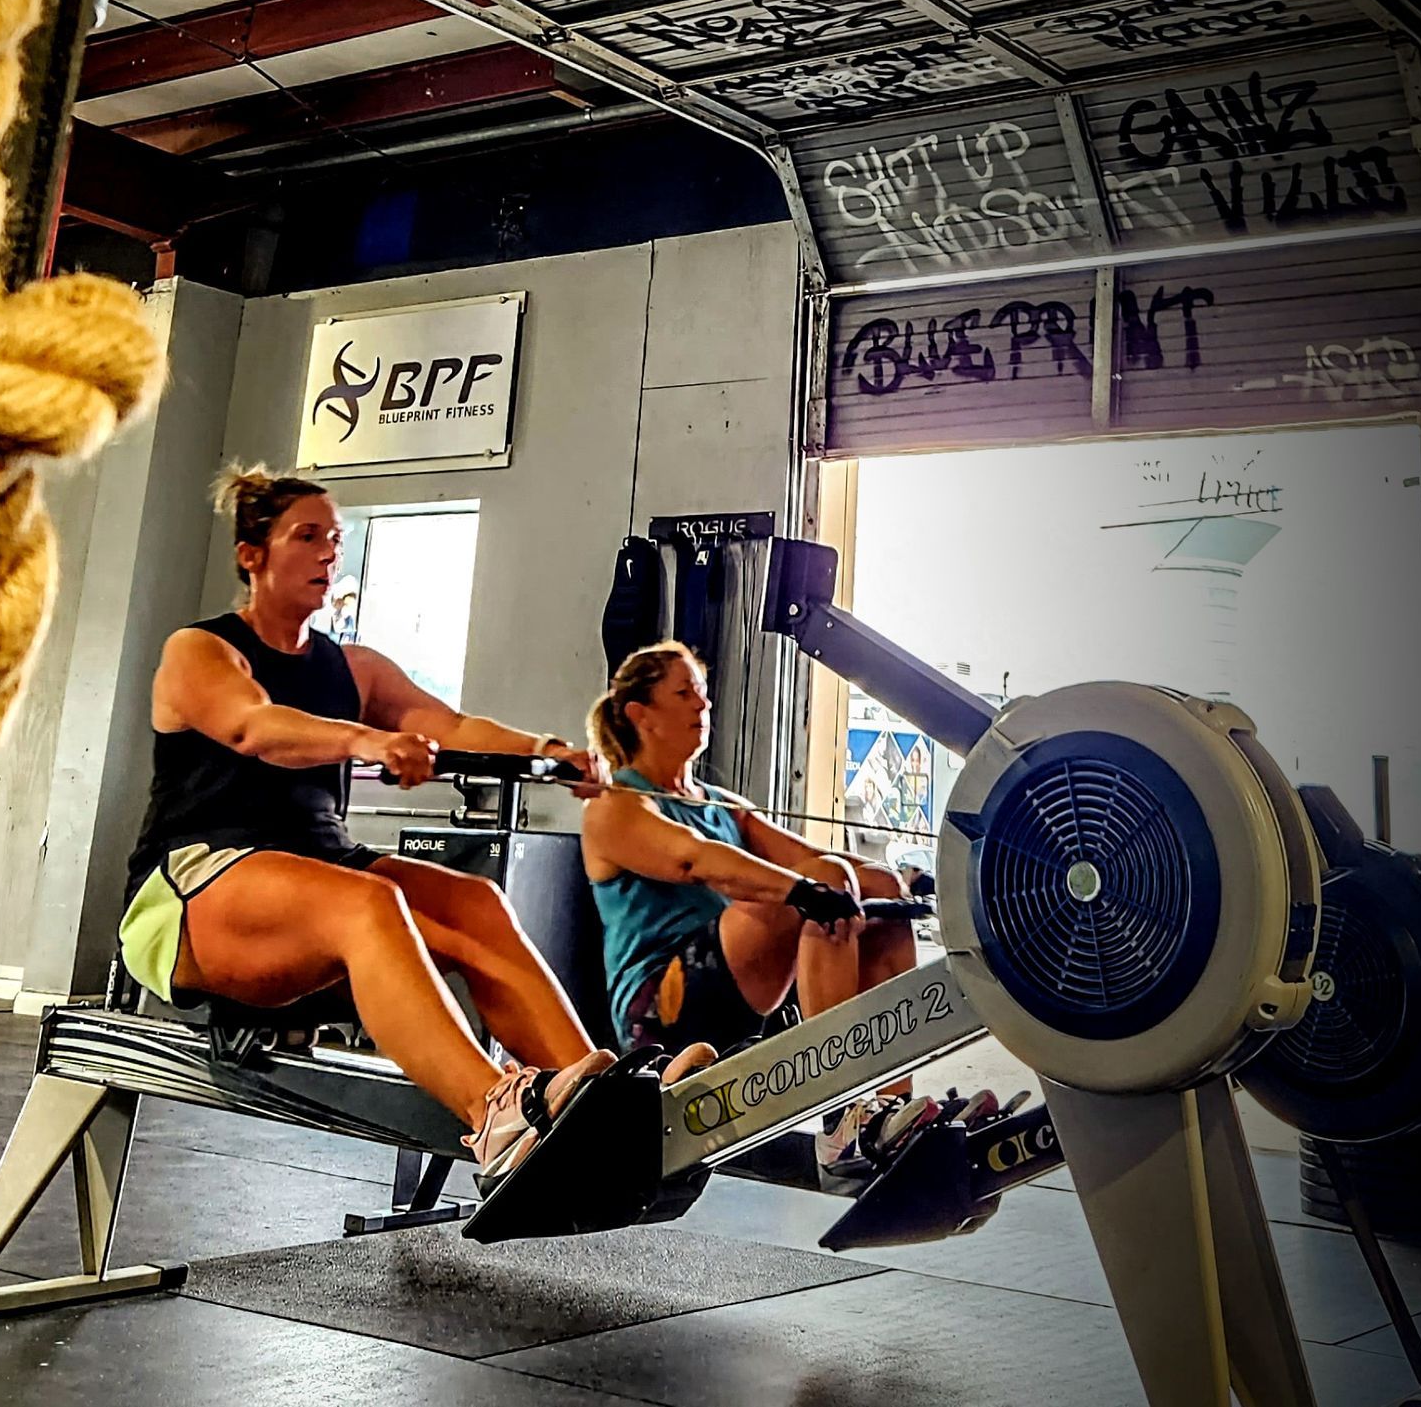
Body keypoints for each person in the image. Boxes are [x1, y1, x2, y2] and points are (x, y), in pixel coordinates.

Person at [119, 468, 704, 1183]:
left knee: (475, 904)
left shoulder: (353, 667)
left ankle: (592, 1097)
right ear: (251, 554)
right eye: (306, 536)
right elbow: (253, 726)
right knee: (368, 901)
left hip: (318, 883)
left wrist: (550, 752)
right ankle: (495, 1114)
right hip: (190, 891)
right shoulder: (203, 651)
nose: (328, 553)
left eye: (335, 539)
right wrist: (364, 741)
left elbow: (453, 725)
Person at [580, 641, 935, 1178]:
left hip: (733, 983)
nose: (703, 707)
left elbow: (813, 860)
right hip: (659, 1012)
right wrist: (806, 891)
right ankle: (843, 1121)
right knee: (806, 892)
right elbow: (692, 861)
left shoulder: (724, 806)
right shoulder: (616, 807)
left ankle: (887, 1110)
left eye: (702, 695)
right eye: (685, 695)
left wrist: (899, 885)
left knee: (874, 900)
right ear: (640, 714)